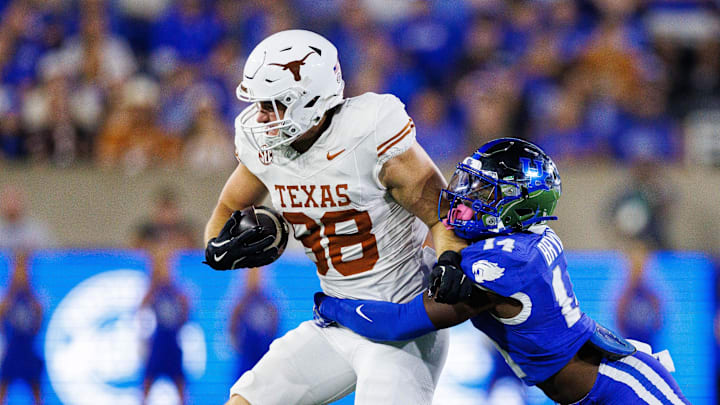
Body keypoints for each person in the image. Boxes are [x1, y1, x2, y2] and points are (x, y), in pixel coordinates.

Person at [315, 138, 689, 405]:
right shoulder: (528, 235)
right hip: (598, 385)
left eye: (483, 191)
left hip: (619, 390)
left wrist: (331, 306)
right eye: (469, 183)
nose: (465, 197)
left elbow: (400, 322)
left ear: (518, 204)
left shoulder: (502, 267)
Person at [202, 29, 465, 405]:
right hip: (336, 320)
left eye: (271, 104)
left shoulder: (368, 133)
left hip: (400, 327)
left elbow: (443, 214)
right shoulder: (269, 149)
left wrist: (450, 261)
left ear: (307, 100)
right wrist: (215, 246)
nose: (259, 117)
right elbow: (227, 207)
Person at [139, 248, 190, 405]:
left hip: (173, 342)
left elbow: (186, 310)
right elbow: (142, 308)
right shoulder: (154, 290)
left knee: (180, 382)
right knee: (148, 381)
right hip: (158, 341)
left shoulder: (177, 291)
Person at [0, 253, 44, 405]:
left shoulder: (35, 299)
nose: (20, 274)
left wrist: (28, 290)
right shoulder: (6, 298)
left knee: (36, 391)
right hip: (12, 351)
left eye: (23, 269)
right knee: (3, 389)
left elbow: (38, 324)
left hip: (28, 351)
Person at [228, 268, 279, 379]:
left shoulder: (268, 303)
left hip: (263, 351)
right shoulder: (241, 304)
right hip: (246, 353)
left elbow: (275, 325)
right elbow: (232, 326)